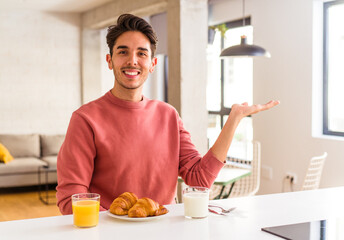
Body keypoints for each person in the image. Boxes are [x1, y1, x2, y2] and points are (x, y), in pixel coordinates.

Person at [56, 13, 279, 215]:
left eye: (141, 53)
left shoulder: (169, 115)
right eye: (122, 52)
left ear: (152, 63)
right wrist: (122, 225)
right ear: (110, 61)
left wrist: (234, 120)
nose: (132, 60)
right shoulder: (85, 119)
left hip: (166, 231)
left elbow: (199, 178)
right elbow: (71, 199)